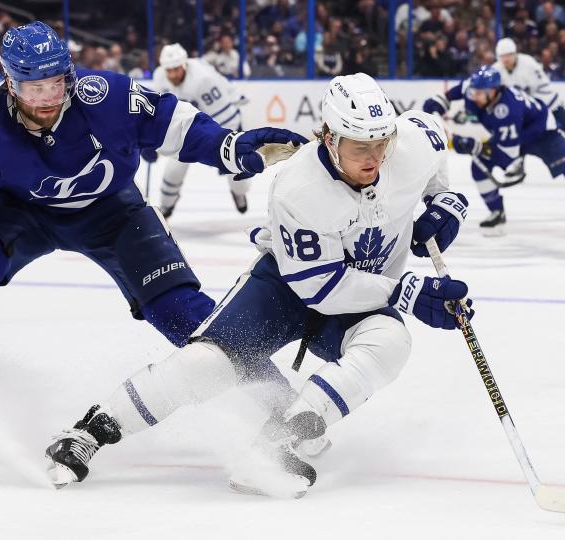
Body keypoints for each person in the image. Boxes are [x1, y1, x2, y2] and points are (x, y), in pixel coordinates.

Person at [0, 21, 308, 458]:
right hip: (20, 214)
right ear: (10, 84)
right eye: (34, 90)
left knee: (182, 312)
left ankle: (282, 407)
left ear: (69, 75)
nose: (48, 100)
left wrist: (229, 147)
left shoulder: (105, 96)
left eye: (56, 84)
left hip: (113, 211)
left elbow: (175, 124)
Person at [43, 73, 473, 498]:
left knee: (390, 342)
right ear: (328, 138)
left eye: (383, 144)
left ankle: (274, 445)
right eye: (361, 146)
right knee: (205, 365)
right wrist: (403, 292)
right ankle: (91, 432)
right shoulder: (299, 188)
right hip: (287, 286)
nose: (375, 158)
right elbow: (320, 289)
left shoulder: (410, 144)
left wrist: (445, 202)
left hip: (357, 289)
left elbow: (432, 143)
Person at [448, 66, 565, 236]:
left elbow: (508, 154)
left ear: (493, 92)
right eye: (475, 92)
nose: (475, 96)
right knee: (479, 167)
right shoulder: (481, 93)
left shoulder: (507, 110)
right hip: (514, 136)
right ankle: (497, 213)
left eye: (479, 93)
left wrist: (474, 146)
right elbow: (464, 87)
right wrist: (442, 99)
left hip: (543, 135)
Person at [424, 38, 565, 181]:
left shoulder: (529, 65)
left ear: (515, 54)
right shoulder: (497, 69)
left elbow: (544, 93)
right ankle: (516, 166)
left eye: (509, 55)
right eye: (502, 56)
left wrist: (534, 113)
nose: (506, 59)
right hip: (524, 113)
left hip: (549, 106)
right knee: (513, 136)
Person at [145, 43, 250, 217]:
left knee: (238, 171)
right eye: (168, 70)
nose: (172, 74)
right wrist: (148, 141)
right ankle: (166, 207)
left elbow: (228, 119)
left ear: (184, 64)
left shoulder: (203, 79)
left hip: (222, 120)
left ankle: (239, 193)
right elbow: (154, 111)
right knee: (174, 169)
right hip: (187, 125)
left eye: (176, 69)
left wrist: (222, 147)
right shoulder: (159, 76)